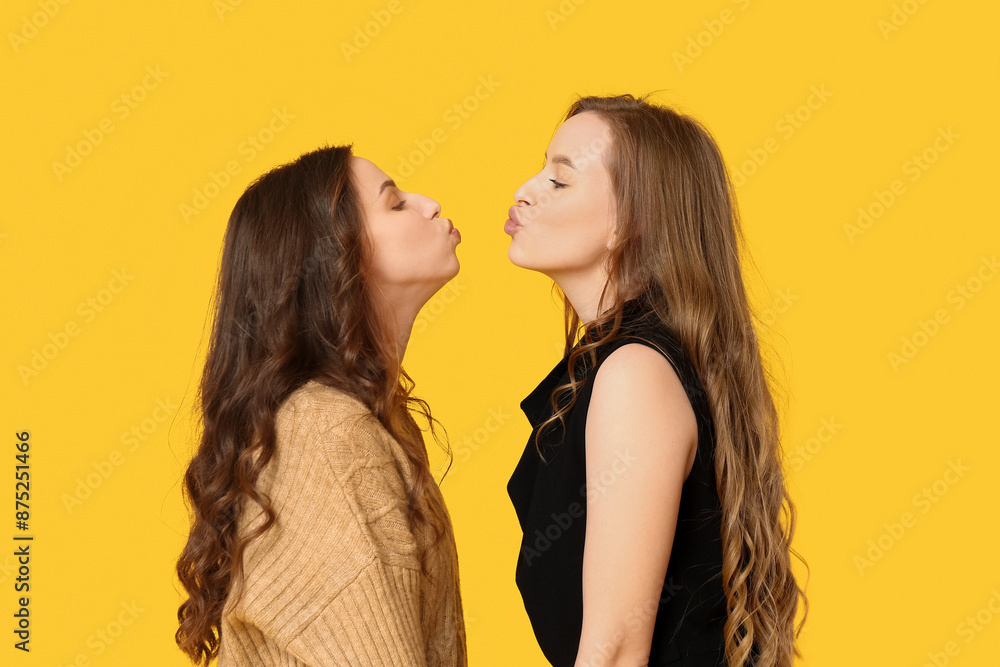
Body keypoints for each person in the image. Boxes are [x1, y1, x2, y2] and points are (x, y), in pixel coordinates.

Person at [504, 94, 808, 667]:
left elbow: (617, 651)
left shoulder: (635, 374)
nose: (524, 189)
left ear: (631, 222)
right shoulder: (635, 362)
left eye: (559, 181)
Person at [174, 144, 467, 666]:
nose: (429, 205)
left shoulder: (362, 423)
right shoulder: (328, 435)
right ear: (337, 256)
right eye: (395, 203)